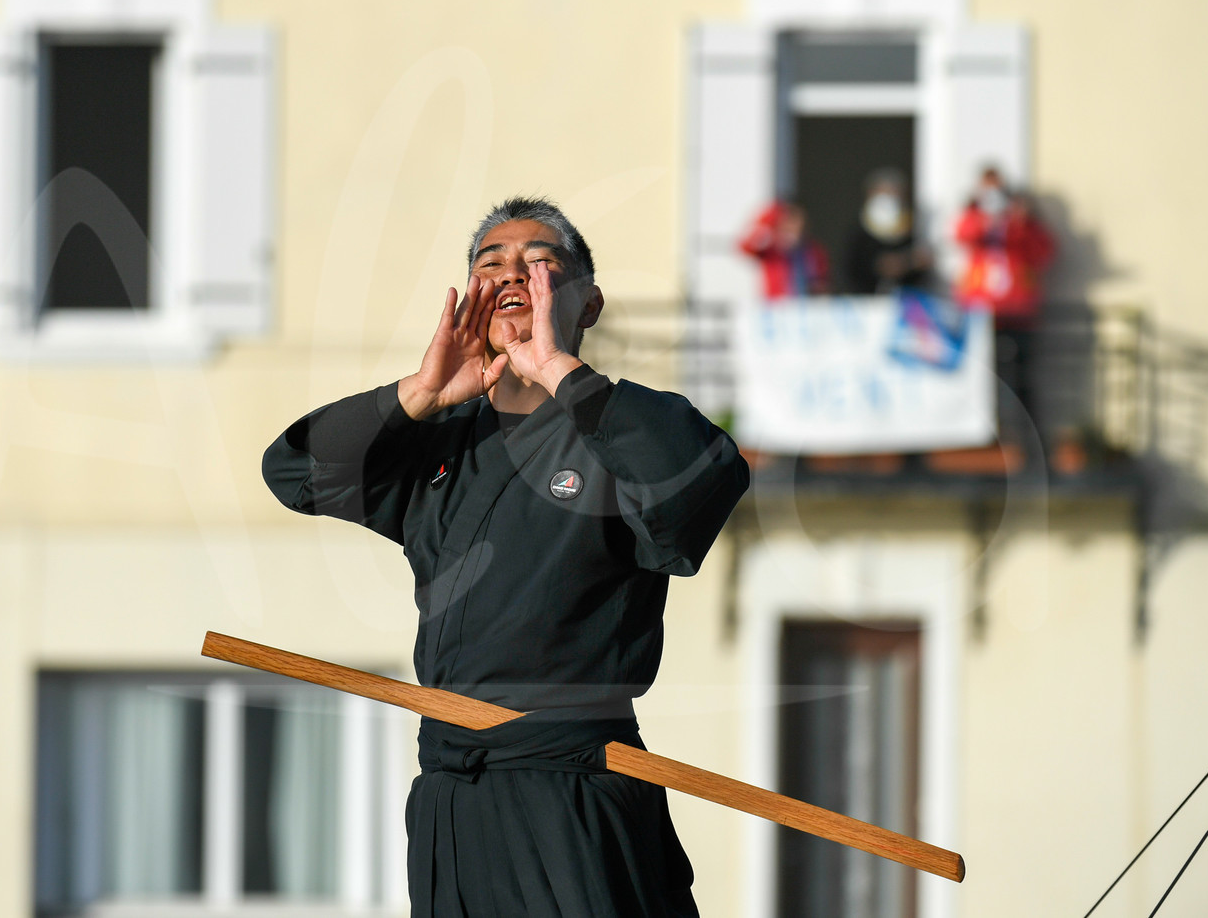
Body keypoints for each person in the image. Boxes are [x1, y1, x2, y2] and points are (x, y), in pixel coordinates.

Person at [262, 196, 750, 917]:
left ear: (589, 303)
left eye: (541, 263)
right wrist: (419, 393)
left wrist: (557, 369)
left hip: (573, 786)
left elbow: (694, 494)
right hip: (452, 798)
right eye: (491, 264)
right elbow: (294, 473)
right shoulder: (437, 437)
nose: (513, 273)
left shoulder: (623, 425)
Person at [954, 167, 1056, 420]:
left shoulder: (1020, 221)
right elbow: (962, 235)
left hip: (1017, 311)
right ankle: (986, 429)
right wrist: (986, 219)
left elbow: (1043, 253)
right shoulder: (974, 215)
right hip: (981, 311)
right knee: (983, 376)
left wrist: (1022, 221)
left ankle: (1024, 432)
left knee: (1021, 375)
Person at [845, 169, 933, 295]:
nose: (889, 199)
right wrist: (877, 267)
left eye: (894, 193)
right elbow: (851, 271)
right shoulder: (858, 234)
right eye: (884, 193)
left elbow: (921, 269)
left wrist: (908, 263)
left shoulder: (912, 228)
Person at [737, 197, 829, 299]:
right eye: (789, 225)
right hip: (777, 304)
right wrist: (770, 217)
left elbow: (820, 281)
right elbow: (745, 247)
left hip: (803, 303)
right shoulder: (771, 248)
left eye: (798, 224)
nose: (793, 229)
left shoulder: (812, 250)